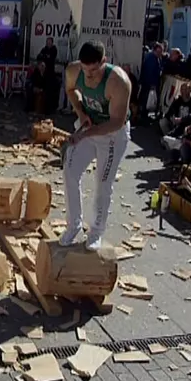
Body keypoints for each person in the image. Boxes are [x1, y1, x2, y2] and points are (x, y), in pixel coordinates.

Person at [62, 40, 132, 250]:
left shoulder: (119, 82)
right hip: (89, 126)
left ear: (104, 62)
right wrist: (81, 113)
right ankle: (74, 225)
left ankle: (96, 232)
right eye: (85, 70)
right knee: (70, 171)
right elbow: (70, 90)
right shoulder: (74, 70)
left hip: (112, 135)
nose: (89, 76)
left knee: (103, 182)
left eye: (93, 70)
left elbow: (116, 122)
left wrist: (85, 134)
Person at [134, 42, 164, 124]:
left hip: (148, 83)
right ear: (154, 50)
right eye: (158, 52)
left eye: (161, 52)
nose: (160, 53)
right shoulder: (151, 58)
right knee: (146, 102)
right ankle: (142, 119)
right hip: (149, 84)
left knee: (146, 101)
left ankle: (143, 117)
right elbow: (149, 73)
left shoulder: (155, 58)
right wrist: (152, 84)